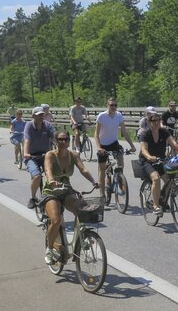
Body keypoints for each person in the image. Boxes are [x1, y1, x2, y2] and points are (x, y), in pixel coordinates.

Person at [41, 131, 98, 265]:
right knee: (56, 220)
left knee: (81, 211)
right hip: (51, 191)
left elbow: (83, 169)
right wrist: (51, 180)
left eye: (65, 139)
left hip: (66, 189)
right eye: (60, 139)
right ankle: (49, 249)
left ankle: (80, 239)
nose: (63, 142)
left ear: (69, 141)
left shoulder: (74, 154)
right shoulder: (50, 155)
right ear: (56, 141)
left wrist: (94, 181)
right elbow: (48, 170)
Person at [138, 113, 178, 215]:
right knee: (156, 178)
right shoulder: (145, 134)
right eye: (154, 121)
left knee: (169, 180)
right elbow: (143, 149)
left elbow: (174, 143)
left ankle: (161, 199)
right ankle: (156, 206)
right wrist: (149, 157)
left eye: (158, 120)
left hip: (161, 160)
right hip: (147, 161)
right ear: (149, 122)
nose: (156, 122)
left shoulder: (164, 132)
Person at [94, 97, 136, 198]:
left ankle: (120, 180)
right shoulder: (102, 116)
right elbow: (96, 134)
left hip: (114, 143)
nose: (113, 107)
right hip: (103, 144)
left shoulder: (119, 115)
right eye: (111, 105)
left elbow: (124, 132)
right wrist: (99, 147)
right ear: (107, 105)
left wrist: (132, 145)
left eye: (115, 105)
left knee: (120, 162)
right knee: (102, 170)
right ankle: (102, 195)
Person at [24, 107, 56, 209]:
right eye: (38, 115)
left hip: (45, 155)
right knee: (37, 176)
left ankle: (54, 195)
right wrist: (26, 152)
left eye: (42, 115)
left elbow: (54, 138)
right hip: (31, 156)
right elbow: (27, 140)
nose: (41, 117)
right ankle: (33, 198)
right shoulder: (29, 125)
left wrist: (61, 148)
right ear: (33, 116)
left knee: (53, 175)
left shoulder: (47, 125)